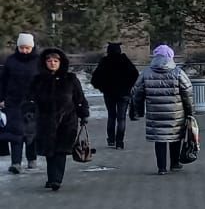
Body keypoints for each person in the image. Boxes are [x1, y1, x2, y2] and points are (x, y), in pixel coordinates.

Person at [25, 48, 90, 191]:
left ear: (61, 62)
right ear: (44, 62)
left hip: (67, 121)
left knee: (61, 150)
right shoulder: (38, 80)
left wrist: (83, 114)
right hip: (45, 121)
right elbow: (29, 99)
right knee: (50, 151)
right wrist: (29, 112)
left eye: (55, 61)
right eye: (49, 61)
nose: (52, 63)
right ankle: (51, 177)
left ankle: (56, 179)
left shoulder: (70, 79)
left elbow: (79, 99)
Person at [131, 44, 193, 176]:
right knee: (176, 137)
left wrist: (139, 110)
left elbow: (137, 93)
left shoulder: (146, 73)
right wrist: (190, 111)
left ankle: (162, 168)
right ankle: (175, 163)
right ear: (171, 57)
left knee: (160, 139)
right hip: (176, 113)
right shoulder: (178, 72)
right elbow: (187, 92)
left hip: (155, 113)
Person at [1, 33, 40, 173]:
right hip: (14, 102)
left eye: (27, 48)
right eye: (22, 47)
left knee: (31, 132)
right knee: (15, 133)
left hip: (33, 103)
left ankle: (32, 159)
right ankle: (16, 163)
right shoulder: (11, 61)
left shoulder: (38, 61)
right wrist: (1, 98)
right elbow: (3, 81)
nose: (24, 50)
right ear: (18, 47)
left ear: (32, 47)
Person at [90, 42, 139, 150]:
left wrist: (103, 88)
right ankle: (120, 142)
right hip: (124, 94)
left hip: (109, 93)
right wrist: (128, 86)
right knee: (121, 118)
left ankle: (111, 139)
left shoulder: (105, 61)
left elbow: (95, 79)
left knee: (111, 116)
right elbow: (135, 74)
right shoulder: (125, 61)